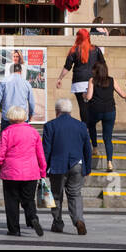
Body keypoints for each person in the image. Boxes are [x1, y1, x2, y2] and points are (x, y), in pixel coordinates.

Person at [42, 98, 91, 235]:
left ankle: (57, 223)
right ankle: (78, 220)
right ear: (70, 111)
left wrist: (43, 168)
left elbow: (46, 150)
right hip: (77, 164)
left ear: (57, 111)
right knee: (75, 194)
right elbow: (87, 148)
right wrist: (88, 168)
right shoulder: (81, 125)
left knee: (56, 196)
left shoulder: (50, 126)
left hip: (57, 166)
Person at [0, 105, 46, 237]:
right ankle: (32, 217)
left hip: (11, 172)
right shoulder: (33, 132)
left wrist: (1, 165)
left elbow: (0, 154)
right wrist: (43, 170)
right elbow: (40, 154)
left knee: (11, 201)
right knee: (28, 199)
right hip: (31, 172)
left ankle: (14, 229)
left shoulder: (6, 132)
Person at [84, 58, 126, 172]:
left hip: (96, 110)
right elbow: (122, 94)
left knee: (91, 124)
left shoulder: (92, 80)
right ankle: (109, 163)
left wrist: (84, 95)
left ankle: (94, 147)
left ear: (96, 71)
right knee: (108, 138)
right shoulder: (112, 80)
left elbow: (88, 97)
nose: (92, 71)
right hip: (110, 111)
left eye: (94, 70)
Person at [54, 28, 104, 125]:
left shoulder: (73, 50)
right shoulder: (96, 50)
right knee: (92, 105)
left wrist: (60, 78)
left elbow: (67, 67)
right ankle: (91, 126)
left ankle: (85, 127)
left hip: (79, 82)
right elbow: (103, 65)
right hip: (93, 81)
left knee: (83, 106)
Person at [0, 61, 35, 131]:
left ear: (11, 71)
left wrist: (0, 108)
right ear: (21, 71)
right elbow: (31, 102)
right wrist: (31, 114)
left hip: (7, 117)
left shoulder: (4, 81)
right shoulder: (26, 83)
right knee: (22, 140)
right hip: (22, 118)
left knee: (5, 139)